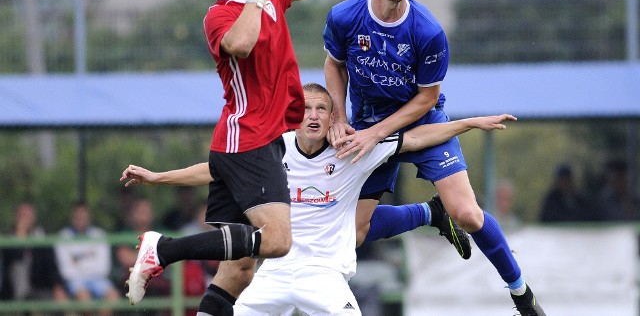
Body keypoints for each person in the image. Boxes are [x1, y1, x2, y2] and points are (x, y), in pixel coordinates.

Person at [120, 83, 516, 315]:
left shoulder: (353, 149)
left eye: (321, 108)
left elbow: (415, 138)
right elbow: (216, 169)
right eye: (306, 108)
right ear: (296, 114)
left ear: (332, 118)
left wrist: (470, 123)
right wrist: (159, 178)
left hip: (324, 277)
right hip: (272, 273)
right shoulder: (275, 147)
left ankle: (430, 214)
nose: (312, 115)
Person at [322, 0, 545, 315]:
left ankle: (521, 293)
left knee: (469, 214)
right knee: (354, 233)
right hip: (366, 123)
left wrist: (379, 134)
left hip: (421, 121)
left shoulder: (427, 31)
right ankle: (430, 214)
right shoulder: (345, 16)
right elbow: (333, 64)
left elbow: (426, 99)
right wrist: (339, 118)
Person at [124, 0, 334, 315]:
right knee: (277, 240)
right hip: (247, 137)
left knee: (238, 271)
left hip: (255, 141)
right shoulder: (219, 14)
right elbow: (241, 44)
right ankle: (164, 249)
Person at [54, 201, 120, 316]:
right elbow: (66, 271)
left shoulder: (100, 235)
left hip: (98, 279)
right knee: (85, 299)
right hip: (75, 281)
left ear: (89, 218)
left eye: (83, 216)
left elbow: (104, 269)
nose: (80, 219)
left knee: (113, 297)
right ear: (72, 218)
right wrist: (89, 264)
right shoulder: (62, 237)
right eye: (77, 216)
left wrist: (78, 264)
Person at [0, 202, 69, 305]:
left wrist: (57, 286)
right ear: (16, 218)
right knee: (19, 267)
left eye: (28, 216)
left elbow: (51, 264)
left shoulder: (42, 237)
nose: (25, 219)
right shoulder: (8, 238)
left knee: (57, 302)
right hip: (14, 290)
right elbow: (13, 258)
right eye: (22, 216)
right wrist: (20, 235)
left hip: (40, 287)